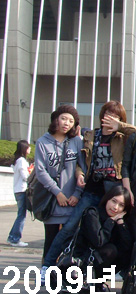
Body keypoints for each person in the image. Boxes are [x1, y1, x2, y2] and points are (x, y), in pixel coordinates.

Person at [42, 101, 136, 273]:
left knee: (119, 229)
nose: (111, 118)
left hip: (113, 190)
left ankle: (121, 271)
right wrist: (79, 173)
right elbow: (82, 161)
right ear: (102, 116)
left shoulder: (122, 137)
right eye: (108, 114)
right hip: (92, 189)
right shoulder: (91, 135)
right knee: (70, 227)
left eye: (116, 116)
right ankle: (48, 264)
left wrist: (120, 126)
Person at [34, 106, 84, 272]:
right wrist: (58, 193)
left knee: (69, 242)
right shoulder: (42, 142)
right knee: (51, 239)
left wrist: (77, 194)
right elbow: (40, 171)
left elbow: (82, 168)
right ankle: (46, 272)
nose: (66, 123)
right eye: (64, 118)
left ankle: (64, 275)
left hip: (72, 202)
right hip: (52, 201)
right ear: (55, 119)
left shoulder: (77, 142)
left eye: (71, 121)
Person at [72, 185, 133, 285]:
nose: (115, 207)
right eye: (114, 201)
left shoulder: (118, 220)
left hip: (97, 262)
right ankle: (86, 280)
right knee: (110, 250)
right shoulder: (92, 213)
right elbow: (99, 241)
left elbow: (127, 246)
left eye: (121, 205)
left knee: (125, 254)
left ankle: (98, 282)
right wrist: (110, 222)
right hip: (82, 260)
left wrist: (120, 223)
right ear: (107, 199)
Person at [7, 140, 31, 247]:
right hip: (21, 190)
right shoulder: (21, 161)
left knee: (21, 214)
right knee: (21, 215)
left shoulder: (19, 160)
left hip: (19, 190)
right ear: (24, 148)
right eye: (28, 147)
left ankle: (12, 237)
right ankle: (14, 238)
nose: (30, 149)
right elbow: (25, 176)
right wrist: (31, 173)